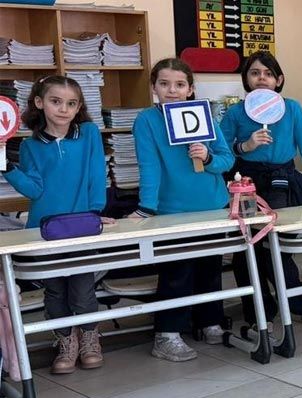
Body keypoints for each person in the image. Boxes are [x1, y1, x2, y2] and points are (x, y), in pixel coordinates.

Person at [221, 51, 302, 328]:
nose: (262, 78)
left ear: (279, 80)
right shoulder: (236, 112)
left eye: (268, 73)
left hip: (282, 184)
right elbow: (220, 151)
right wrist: (245, 146)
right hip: (245, 186)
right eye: (255, 73)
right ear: (246, 79)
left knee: (274, 249)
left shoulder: (292, 108)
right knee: (245, 252)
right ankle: (259, 315)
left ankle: (300, 302)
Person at [133, 58, 235, 361]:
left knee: (210, 268)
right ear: (154, 88)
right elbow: (149, 166)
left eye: (180, 85)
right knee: (177, 272)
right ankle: (167, 333)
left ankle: (208, 321)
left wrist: (208, 157)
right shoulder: (146, 120)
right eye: (164, 84)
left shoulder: (205, 115)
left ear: (190, 89)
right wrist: (146, 208)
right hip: (172, 211)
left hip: (212, 205)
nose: (172, 90)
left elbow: (227, 159)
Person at [4, 76, 108, 374]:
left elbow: (96, 174)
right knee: (55, 292)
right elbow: (34, 190)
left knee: (83, 289)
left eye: (71, 103)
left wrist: (96, 212)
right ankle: (65, 340)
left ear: (79, 107)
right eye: (56, 101)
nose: (64, 109)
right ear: (39, 102)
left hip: (82, 226)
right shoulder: (30, 146)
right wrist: (7, 168)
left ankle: (89, 337)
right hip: (45, 229)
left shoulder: (88, 133)